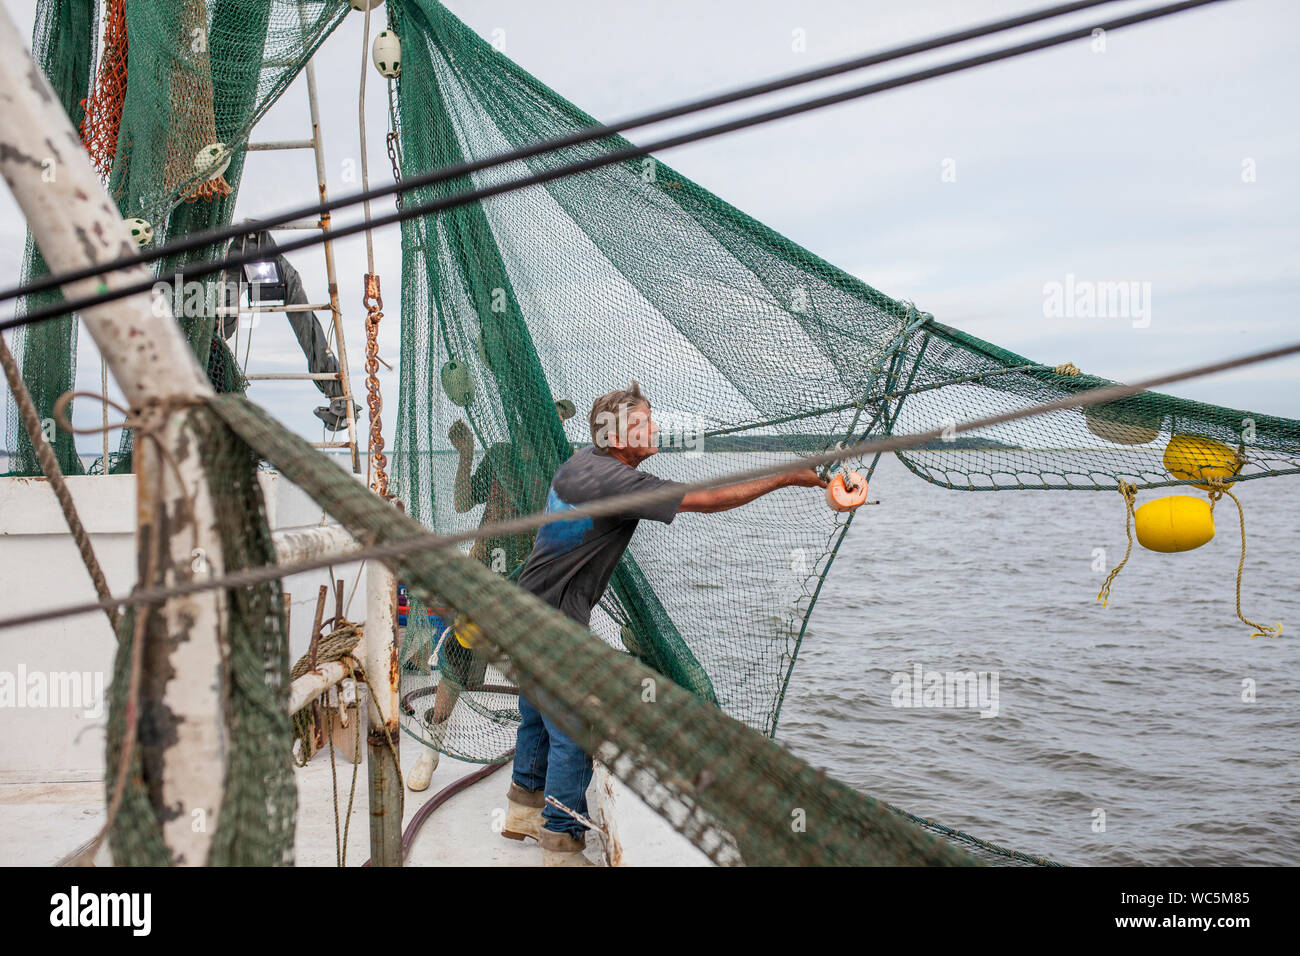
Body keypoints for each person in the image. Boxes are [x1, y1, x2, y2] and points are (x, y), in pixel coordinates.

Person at [502, 380, 829, 865]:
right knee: (573, 725)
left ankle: (522, 808)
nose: (655, 429)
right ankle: (560, 841)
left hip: (521, 608)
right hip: (553, 623)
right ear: (615, 435)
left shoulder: (580, 463)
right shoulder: (619, 481)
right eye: (643, 423)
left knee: (537, 710)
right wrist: (785, 478)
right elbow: (711, 498)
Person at [406, 399, 577, 792]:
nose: (539, 422)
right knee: (457, 662)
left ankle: (539, 765)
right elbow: (464, 503)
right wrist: (465, 453)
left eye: (555, 416)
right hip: (486, 576)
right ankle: (432, 749)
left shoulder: (561, 465)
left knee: (539, 671)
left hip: (533, 582)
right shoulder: (499, 454)